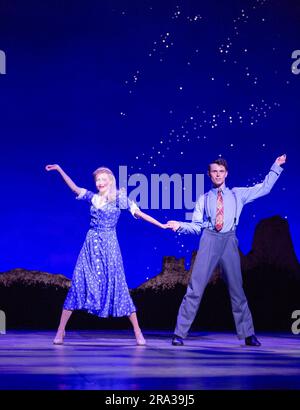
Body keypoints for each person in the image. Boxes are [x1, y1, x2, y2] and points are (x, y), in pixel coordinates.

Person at [167, 154, 287, 346]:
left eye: (221, 171)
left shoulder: (237, 194)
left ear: (226, 174)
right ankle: (179, 334)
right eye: (214, 171)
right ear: (209, 174)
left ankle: (248, 334)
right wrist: (179, 225)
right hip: (209, 238)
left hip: (229, 239)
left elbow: (264, 188)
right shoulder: (203, 199)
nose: (218, 175)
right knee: (195, 288)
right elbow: (197, 226)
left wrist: (276, 166)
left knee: (237, 289)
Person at [45, 164, 168, 346]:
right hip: (91, 245)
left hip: (109, 245)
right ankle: (60, 330)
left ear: (110, 181)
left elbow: (140, 214)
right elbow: (73, 187)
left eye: (104, 179)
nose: (100, 182)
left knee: (118, 283)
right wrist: (60, 169)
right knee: (79, 282)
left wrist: (162, 225)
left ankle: (137, 331)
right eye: (98, 180)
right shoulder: (92, 198)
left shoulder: (120, 199)